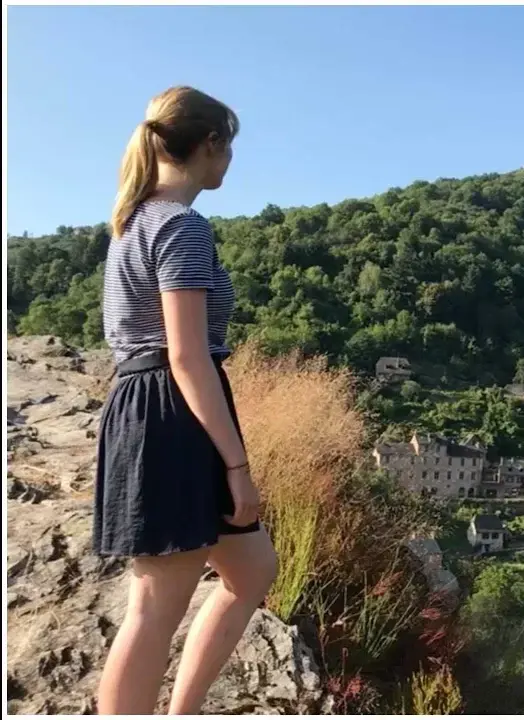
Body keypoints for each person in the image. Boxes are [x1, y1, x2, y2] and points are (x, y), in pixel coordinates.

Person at [94, 86, 278, 714]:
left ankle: (184, 709)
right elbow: (187, 355)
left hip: (149, 404)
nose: (231, 163)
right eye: (230, 148)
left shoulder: (133, 222)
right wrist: (237, 465)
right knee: (153, 608)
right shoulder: (182, 227)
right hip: (174, 413)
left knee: (252, 571)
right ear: (210, 144)